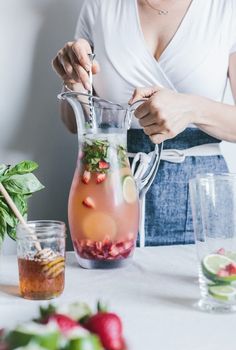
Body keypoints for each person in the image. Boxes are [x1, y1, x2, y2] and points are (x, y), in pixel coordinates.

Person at [52, 0, 236, 246]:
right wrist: (72, 81)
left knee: (203, 281)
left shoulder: (226, 8)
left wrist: (192, 108)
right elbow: (74, 124)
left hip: (202, 196)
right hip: (110, 189)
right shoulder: (100, 6)